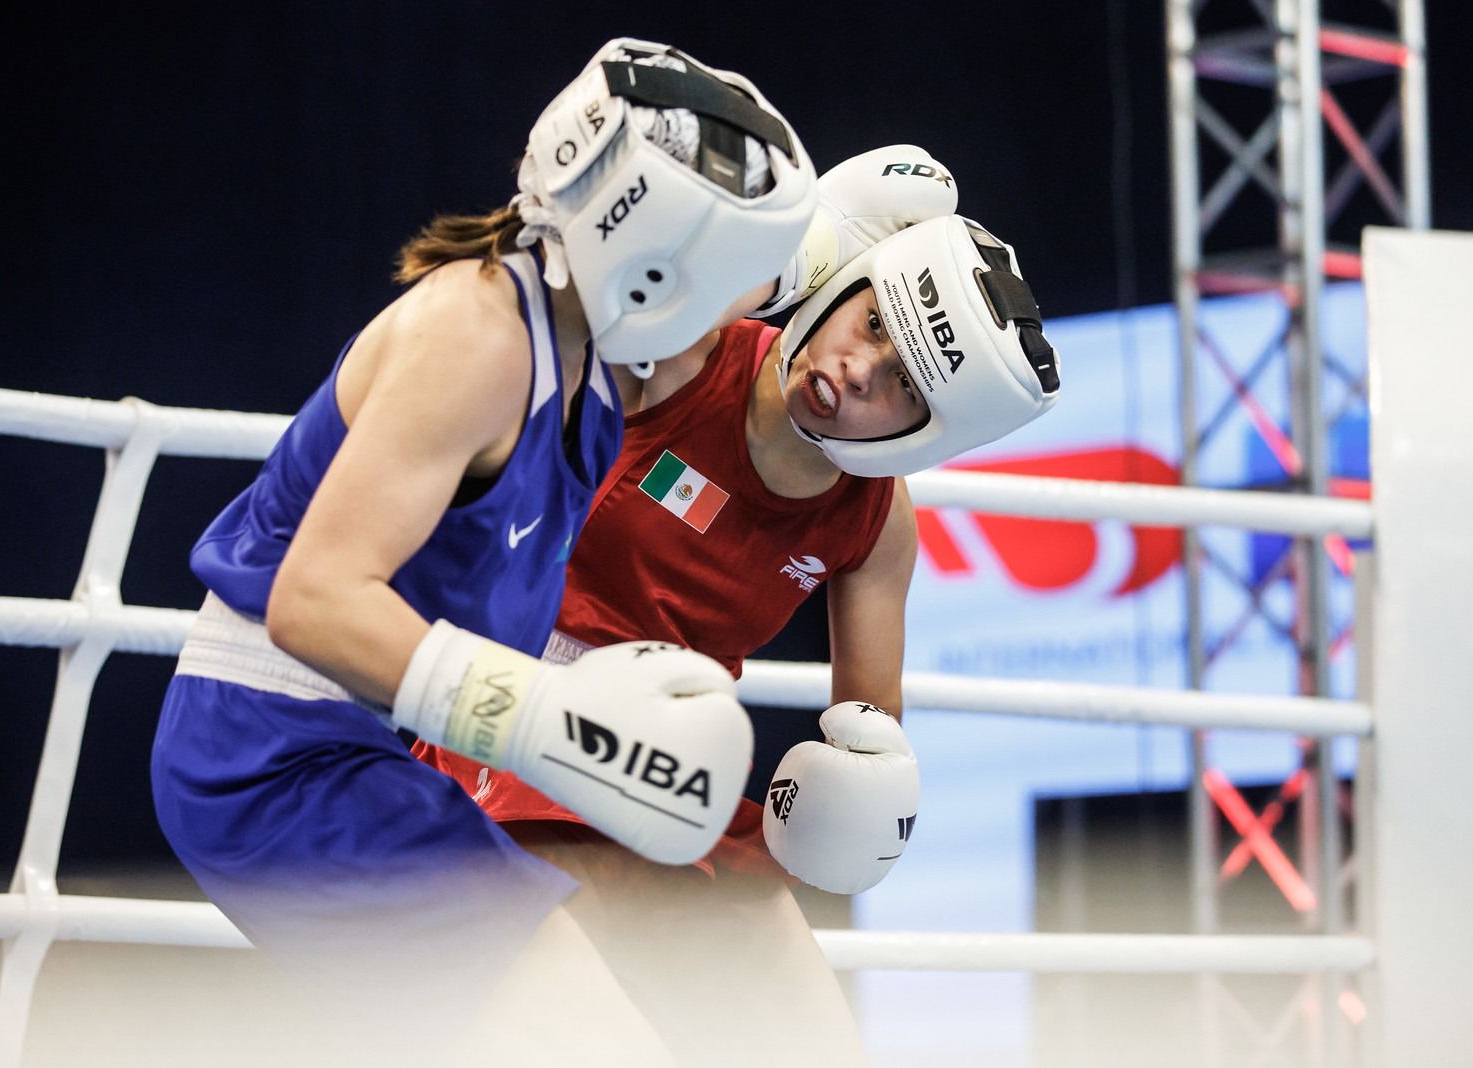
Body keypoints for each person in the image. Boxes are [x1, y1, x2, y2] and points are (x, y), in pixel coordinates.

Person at [148, 37, 819, 1062]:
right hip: (271, 750)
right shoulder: (477, 338)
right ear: (659, 264)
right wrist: (550, 723)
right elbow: (314, 602)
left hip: (366, 751)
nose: (753, 308)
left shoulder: (591, 373)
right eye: (739, 278)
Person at [413, 181, 1064, 1064]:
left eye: (902, 382)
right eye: (872, 323)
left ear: (924, 430)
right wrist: (792, 248)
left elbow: (870, 734)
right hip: (519, 715)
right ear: (844, 285)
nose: (856, 370)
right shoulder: (688, 351)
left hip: (673, 764)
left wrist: (859, 802)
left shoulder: (875, 521)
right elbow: (576, 275)